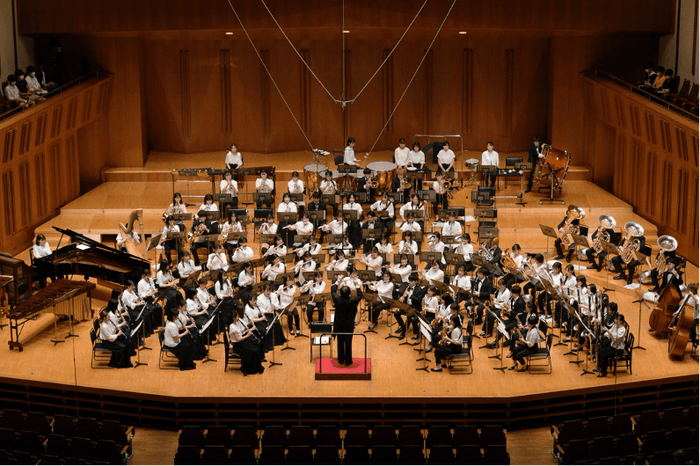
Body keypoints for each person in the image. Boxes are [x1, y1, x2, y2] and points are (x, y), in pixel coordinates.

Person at [331, 282, 363, 366]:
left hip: (339, 324)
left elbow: (333, 291)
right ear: (349, 293)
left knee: (340, 341)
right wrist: (357, 286)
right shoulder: (352, 300)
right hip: (348, 325)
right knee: (348, 342)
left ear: (340, 293)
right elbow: (360, 296)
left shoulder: (337, 299)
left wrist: (338, 281)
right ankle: (348, 360)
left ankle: (341, 359)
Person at [229, 308, 265, 376]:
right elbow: (239, 339)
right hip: (237, 345)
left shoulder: (236, 323)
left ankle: (256, 366)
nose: (238, 317)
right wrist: (248, 335)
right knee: (253, 351)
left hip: (241, 342)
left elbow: (240, 332)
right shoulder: (232, 327)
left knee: (255, 346)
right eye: (237, 316)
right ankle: (249, 369)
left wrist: (247, 330)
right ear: (234, 318)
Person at [164, 306, 196, 371]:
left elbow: (173, 331)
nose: (178, 317)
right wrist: (185, 333)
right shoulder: (172, 325)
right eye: (177, 316)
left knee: (187, 341)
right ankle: (185, 365)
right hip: (172, 344)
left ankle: (189, 362)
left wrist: (179, 328)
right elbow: (175, 337)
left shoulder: (169, 321)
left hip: (173, 340)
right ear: (173, 316)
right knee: (187, 346)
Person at [394, 273, 426, 339]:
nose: (409, 282)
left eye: (411, 281)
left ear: (416, 281)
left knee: (409, 316)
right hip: (407, 306)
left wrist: (410, 295)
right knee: (396, 313)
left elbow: (419, 300)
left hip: (415, 308)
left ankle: (403, 333)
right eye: (409, 281)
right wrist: (403, 298)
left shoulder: (419, 290)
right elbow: (405, 298)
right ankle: (402, 326)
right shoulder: (408, 287)